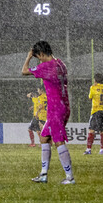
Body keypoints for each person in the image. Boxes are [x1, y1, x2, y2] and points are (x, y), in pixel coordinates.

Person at [22, 41, 75, 185]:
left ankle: (70, 177)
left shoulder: (46, 66)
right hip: (64, 106)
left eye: (38, 57)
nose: (38, 60)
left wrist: (28, 57)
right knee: (44, 137)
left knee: (58, 141)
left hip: (56, 109)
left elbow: (24, 71)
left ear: (41, 54)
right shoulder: (60, 64)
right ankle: (43, 175)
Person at [85, 73, 103, 155]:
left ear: (95, 80)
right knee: (102, 132)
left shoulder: (93, 87)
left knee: (91, 130)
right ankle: (101, 150)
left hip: (96, 111)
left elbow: (90, 98)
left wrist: (94, 86)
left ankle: (88, 149)